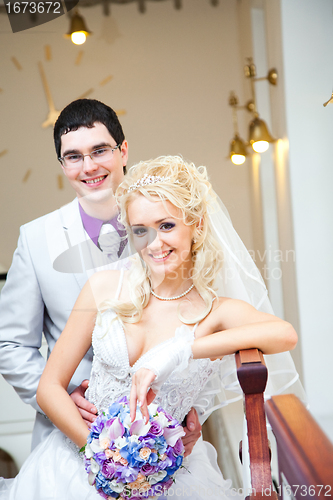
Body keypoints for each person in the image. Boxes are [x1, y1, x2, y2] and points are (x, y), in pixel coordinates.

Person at [0, 156, 298, 499]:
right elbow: (49, 387)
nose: (154, 244)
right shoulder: (103, 288)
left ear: (197, 226)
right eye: (141, 230)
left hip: (173, 480)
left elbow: (284, 334)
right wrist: (103, 461)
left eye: (167, 225)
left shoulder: (217, 311)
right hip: (76, 469)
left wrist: (182, 349)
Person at [0, 100, 201, 454]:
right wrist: (62, 398)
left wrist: (187, 407)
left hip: (163, 435)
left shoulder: (168, 229)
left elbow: (195, 323)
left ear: (123, 151)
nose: (88, 167)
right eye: (73, 156)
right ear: (62, 165)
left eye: (99, 150)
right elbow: (12, 345)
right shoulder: (35, 239)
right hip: (66, 438)